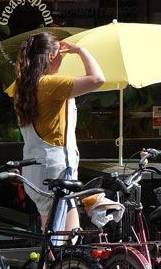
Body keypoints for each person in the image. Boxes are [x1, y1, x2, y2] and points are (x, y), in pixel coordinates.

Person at [13, 32, 105, 227]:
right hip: (54, 171)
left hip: (36, 170)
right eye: (61, 53)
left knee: (59, 238)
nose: (64, 57)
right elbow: (98, 79)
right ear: (51, 57)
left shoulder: (24, 86)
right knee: (60, 241)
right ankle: (55, 259)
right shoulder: (50, 84)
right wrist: (80, 50)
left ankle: (57, 258)